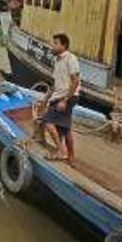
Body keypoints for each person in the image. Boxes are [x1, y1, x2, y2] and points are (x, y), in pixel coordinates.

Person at [41, 33, 80, 163]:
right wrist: (45, 99)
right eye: (53, 43)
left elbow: (75, 81)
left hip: (66, 97)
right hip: (60, 96)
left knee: (48, 121)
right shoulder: (57, 61)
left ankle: (61, 151)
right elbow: (55, 83)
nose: (52, 46)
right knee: (65, 128)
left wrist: (65, 100)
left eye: (55, 43)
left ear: (64, 45)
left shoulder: (71, 58)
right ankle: (71, 156)